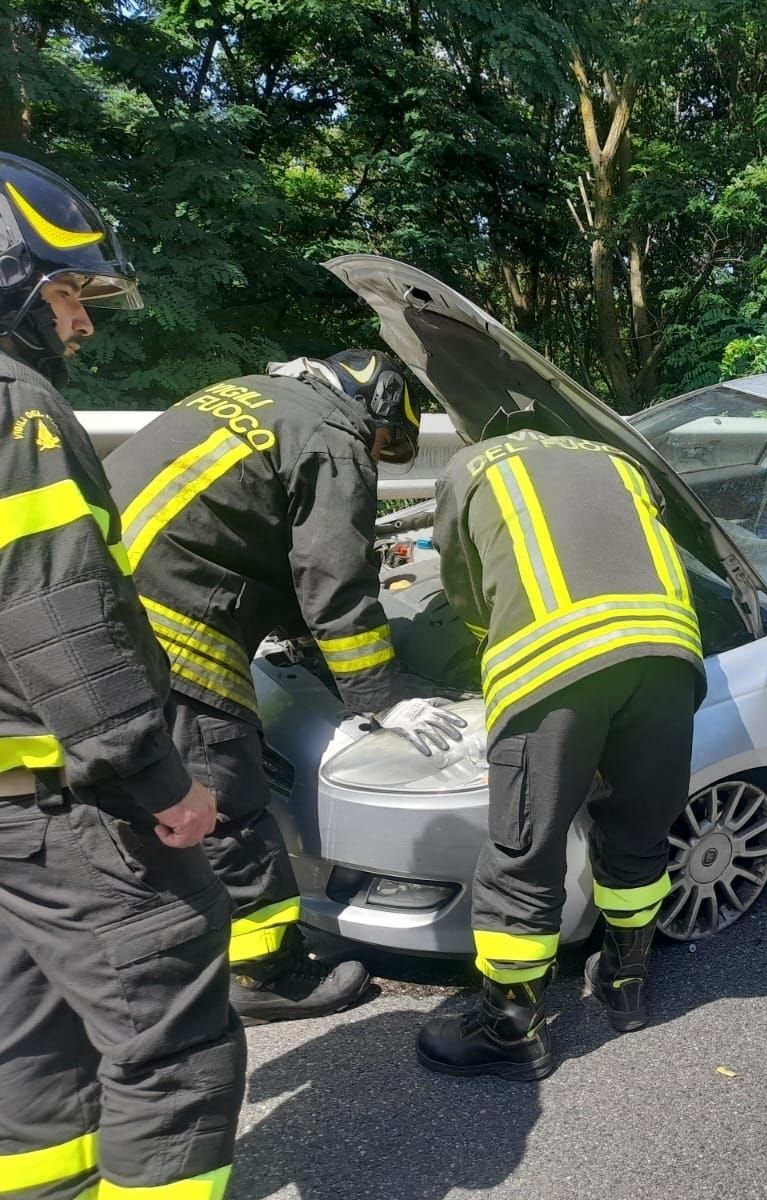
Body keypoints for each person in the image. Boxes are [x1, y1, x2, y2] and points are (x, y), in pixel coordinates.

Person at [0, 152, 245, 1200]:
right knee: (176, 1045)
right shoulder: (20, 411)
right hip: (69, 805)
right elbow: (61, 624)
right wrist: (161, 786)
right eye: (64, 289)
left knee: (32, 1037)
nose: (81, 321)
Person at [105, 348, 467, 1023]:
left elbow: (261, 533)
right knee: (225, 794)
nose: (377, 451)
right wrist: (383, 696)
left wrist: (305, 640)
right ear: (381, 403)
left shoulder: (249, 395)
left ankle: (161, 934)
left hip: (98, 595)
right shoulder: (334, 434)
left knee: (134, 776)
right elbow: (335, 576)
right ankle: (267, 973)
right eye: (387, 440)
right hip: (172, 614)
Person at [416, 410, 704, 1081]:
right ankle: (626, 983)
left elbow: (462, 581)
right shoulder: (619, 458)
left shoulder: (473, 465)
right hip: (668, 653)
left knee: (526, 848)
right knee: (638, 826)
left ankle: (510, 1029)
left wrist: (485, 636)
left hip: (555, 664)